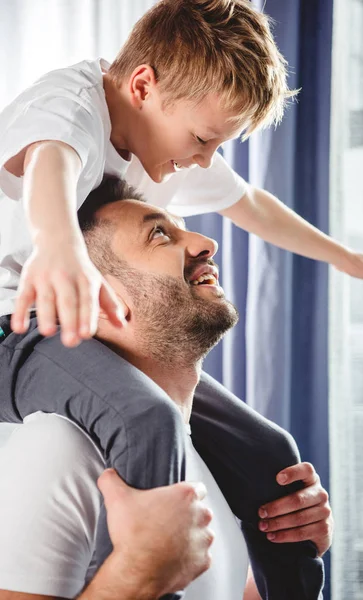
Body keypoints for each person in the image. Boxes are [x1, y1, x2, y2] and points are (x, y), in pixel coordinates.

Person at [0, 0, 352, 596]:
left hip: (73, 326)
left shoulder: (157, 133)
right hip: (15, 333)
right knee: (146, 419)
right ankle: (158, 575)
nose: (203, 160)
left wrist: (352, 260)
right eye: (202, 140)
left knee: (273, 454)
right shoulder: (72, 105)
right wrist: (58, 244)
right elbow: (50, 163)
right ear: (143, 85)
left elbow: (250, 205)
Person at [0, 181, 333, 599]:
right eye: (159, 234)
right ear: (98, 299)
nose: (206, 242)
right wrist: (138, 572)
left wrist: (301, 540)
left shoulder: (204, 456)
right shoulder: (56, 449)